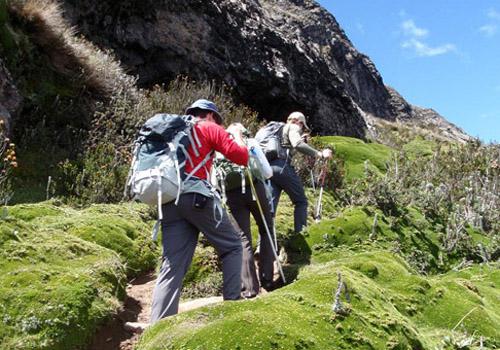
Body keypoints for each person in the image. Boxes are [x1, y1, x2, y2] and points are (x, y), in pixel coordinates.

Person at [149, 99, 249, 323]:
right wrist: (238, 137)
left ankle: (158, 325)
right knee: (233, 246)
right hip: (196, 197)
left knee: (172, 264)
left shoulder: (174, 132)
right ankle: (232, 309)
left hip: (168, 199)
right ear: (211, 115)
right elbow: (241, 157)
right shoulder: (209, 126)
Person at [218, 123, 276, 297]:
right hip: (254, 188)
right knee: (266, 228)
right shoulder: (250, 142)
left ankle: (250, 288)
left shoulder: (220, 148)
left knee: (243, 238)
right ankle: (267, 277)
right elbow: (267, 173)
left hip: (231, 194)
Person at [269, 111, 332, 234]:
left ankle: (263, 244)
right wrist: (320, 154)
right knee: (301, 202)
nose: (302, 129)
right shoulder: (294, 127)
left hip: (268, 169)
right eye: (303, 126)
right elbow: (297, 144)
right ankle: (301, 234)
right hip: (283, 168)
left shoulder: (277, 129)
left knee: (270, 207)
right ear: (300, 122)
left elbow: (287, 146)